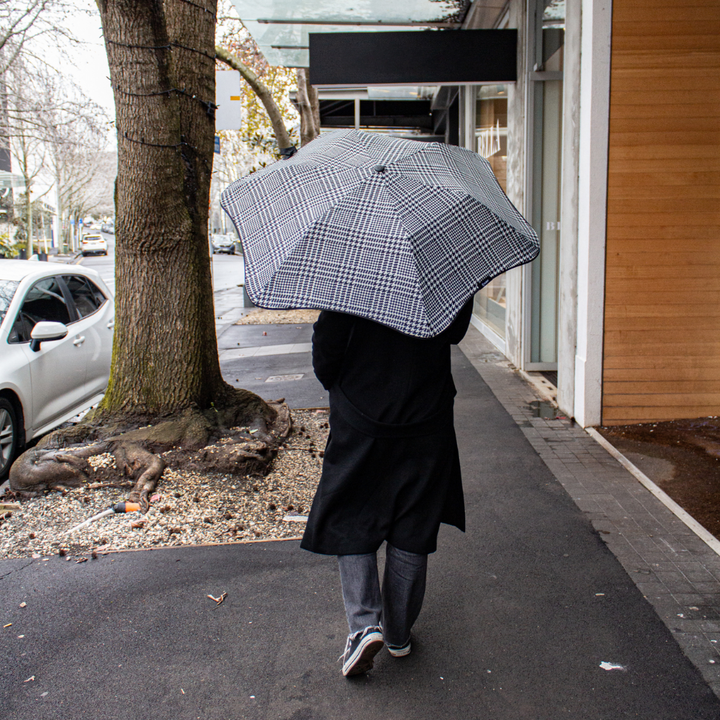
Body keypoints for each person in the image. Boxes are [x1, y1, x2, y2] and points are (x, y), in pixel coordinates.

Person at [301, 299, 474, 677]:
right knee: (415, 518)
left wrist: (341, 389)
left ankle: (364, 626)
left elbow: (327, 343)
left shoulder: (355, 267)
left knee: (351, 513)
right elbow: (455, 331)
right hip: (428, 414)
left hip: (362, 414)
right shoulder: (438, 267)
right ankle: (397, 632)